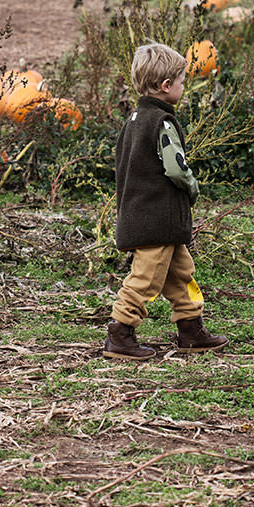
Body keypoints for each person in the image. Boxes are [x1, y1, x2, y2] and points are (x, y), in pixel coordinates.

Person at [103, 41, 228, 361]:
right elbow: (175, 166)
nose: (184, 88)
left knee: (180, 272)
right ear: (166, 86)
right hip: (156, 217)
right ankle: (120, 332)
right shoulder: (162, 122)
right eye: (182, 82)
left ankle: (190, 328)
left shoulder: (134, 119)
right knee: (146, 278)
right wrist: (192, 186)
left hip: (144, 214)